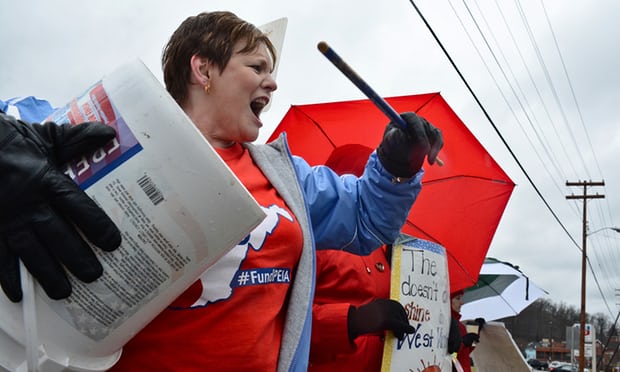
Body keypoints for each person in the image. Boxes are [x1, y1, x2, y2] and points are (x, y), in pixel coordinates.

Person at [1, 11, 443, 371]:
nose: (272, 84)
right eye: (257, 68)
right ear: (203, 69)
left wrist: (394, 165)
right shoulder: (104, 130)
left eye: (272, 72)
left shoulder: (284, 175)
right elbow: (17, 122)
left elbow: (366, 220)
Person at [309, 144, 414, 371]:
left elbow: (403, 309)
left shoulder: (382, 246)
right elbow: (283, 319)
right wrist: (350, 321)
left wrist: (443, 325)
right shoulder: (312, 238)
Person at [450, 290, 485, 372]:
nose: (462, 302)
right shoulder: (445, 324)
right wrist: (463, 342)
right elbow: (452, 356)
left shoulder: (460, 326)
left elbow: (467, 351)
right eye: (457, 298)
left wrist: (476, 334)